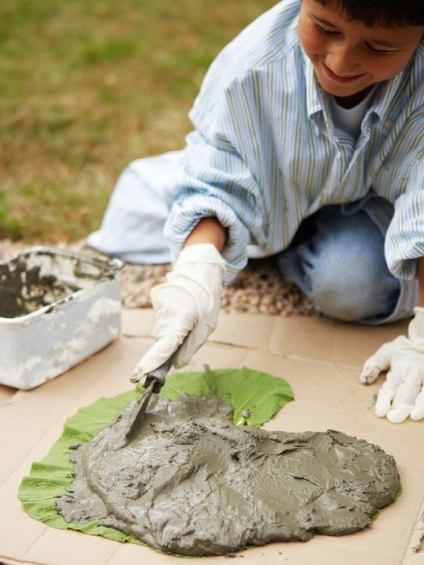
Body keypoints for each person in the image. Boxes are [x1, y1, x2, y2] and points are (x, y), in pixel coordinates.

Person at [88, 0, 424, 424]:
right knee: (146, 214)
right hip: (275, 183)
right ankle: (263, 235)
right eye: (323, 27)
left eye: (378, 48)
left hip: (376, 205)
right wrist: (199, 267)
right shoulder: (252, 68)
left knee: (351, 284)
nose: (341, 60)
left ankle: (274, 244)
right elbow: (220, 175)